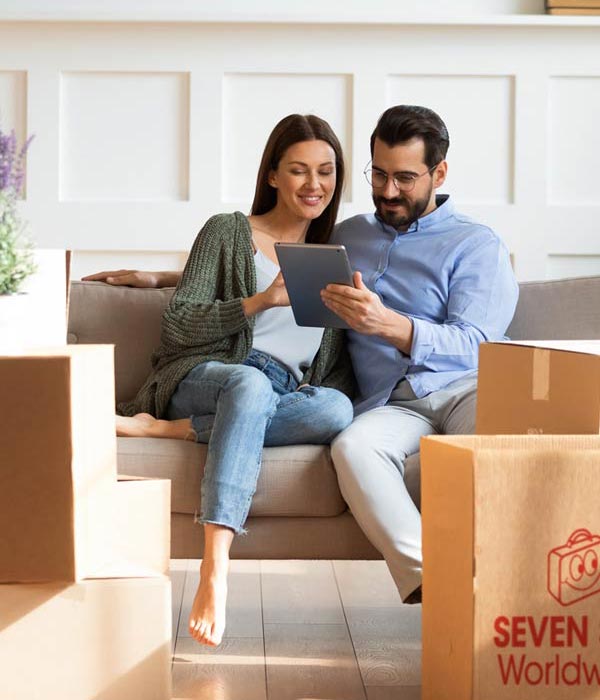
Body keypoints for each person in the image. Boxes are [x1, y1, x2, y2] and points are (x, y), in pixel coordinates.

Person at [85, 104, 519, 608]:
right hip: (362, 398)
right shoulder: (343, 237)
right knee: (313, 422)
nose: (387, 190)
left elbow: (480, 341)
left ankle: (509, 579)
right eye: (377, 174)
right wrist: (163, 278)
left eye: (403, 178)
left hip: (459, 387)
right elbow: (250, 271)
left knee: (357, 417)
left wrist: (392, 326)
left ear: (438, 173)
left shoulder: (465, 244)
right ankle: (428, 580)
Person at [95, 114, 355, 647]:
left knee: (335, 411)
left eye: (326, 172)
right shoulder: (228, 230)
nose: (314, 185)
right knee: (249, 387)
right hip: (207, 374)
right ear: (274, 176)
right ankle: (216, 566)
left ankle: (169, 430)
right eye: (299, 170)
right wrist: (261, 301)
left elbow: (329, 369)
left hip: (283, 391)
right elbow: (178, 323)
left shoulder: (332, 259)